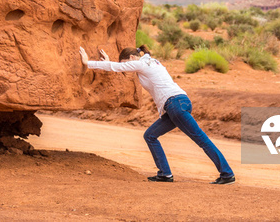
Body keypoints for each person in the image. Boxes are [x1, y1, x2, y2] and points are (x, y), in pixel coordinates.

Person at [79, 44, 235, 185]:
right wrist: (109, 62)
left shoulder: (141, 63)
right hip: (178, 104)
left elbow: (118, 68)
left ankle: (227, 174)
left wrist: (88, 63)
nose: (126, 66)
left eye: (126, 62)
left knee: (201, 139)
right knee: (150, 136)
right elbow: (120, 68)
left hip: (175, 105)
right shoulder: (152, 62)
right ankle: (165, 174)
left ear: (132, 58)